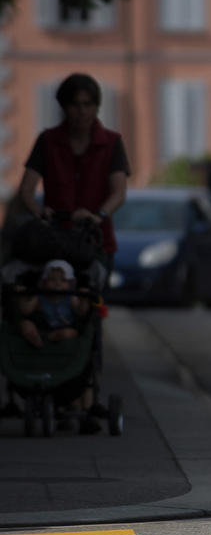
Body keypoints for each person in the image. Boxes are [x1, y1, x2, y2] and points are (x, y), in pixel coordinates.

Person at [18, 73, 130, 275]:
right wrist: (40, 211)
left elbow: (119, 191)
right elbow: (26, 189)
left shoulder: (111, 142)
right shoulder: (48, 141)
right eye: (75, 105)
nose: (82, 112)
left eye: (88, 105)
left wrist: (98, 216)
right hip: (54, 240)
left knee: (91, 298)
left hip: (95, 241)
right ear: (64, 107)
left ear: (97, 107)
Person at [14, 259, 99, 434]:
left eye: (62, 281)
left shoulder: (70, 299)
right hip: (43, 333)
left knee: (70, 333)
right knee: (27, 326)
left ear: (70, 283)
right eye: (52, 280)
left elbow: (82, 313)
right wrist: (23, 296)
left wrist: (84, 297)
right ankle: (38, 341)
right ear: (44, 282)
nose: (57, 284)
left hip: (65, 336)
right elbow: (26, 310)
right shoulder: (40, 297)